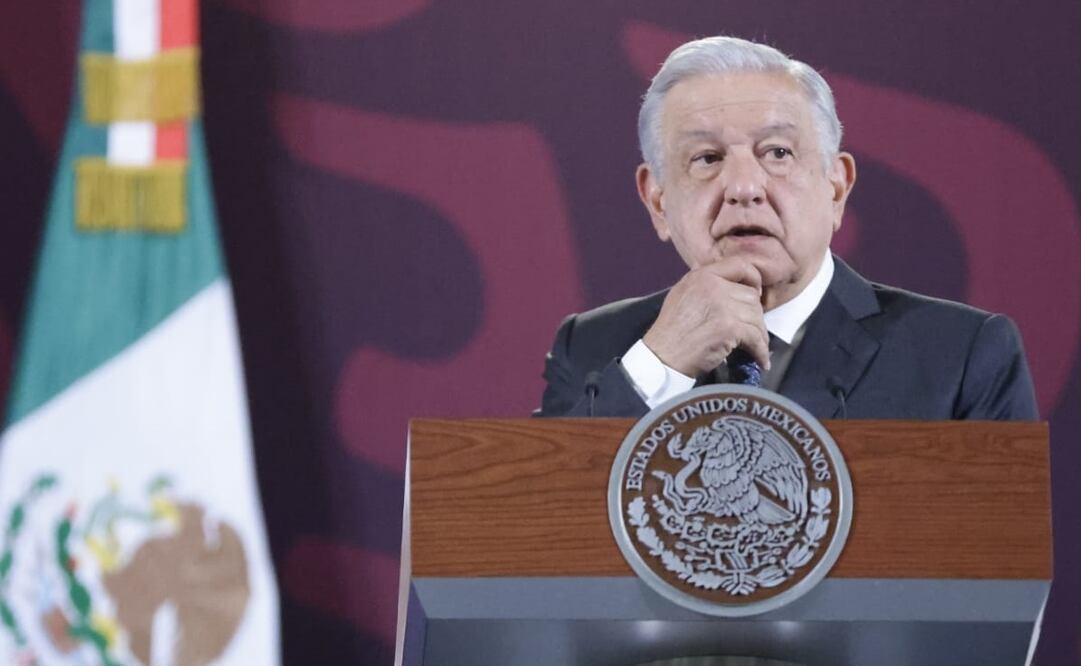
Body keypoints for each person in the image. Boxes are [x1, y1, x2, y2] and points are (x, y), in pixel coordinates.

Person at [536, 36, 1037, 420]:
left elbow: (1001, 549)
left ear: (836, 188)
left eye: (777, 152)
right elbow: (533, 528)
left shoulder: (962, 354)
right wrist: (658, 369)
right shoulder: (593, 348)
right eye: (706, 158)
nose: (744, 187)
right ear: (658, 201)